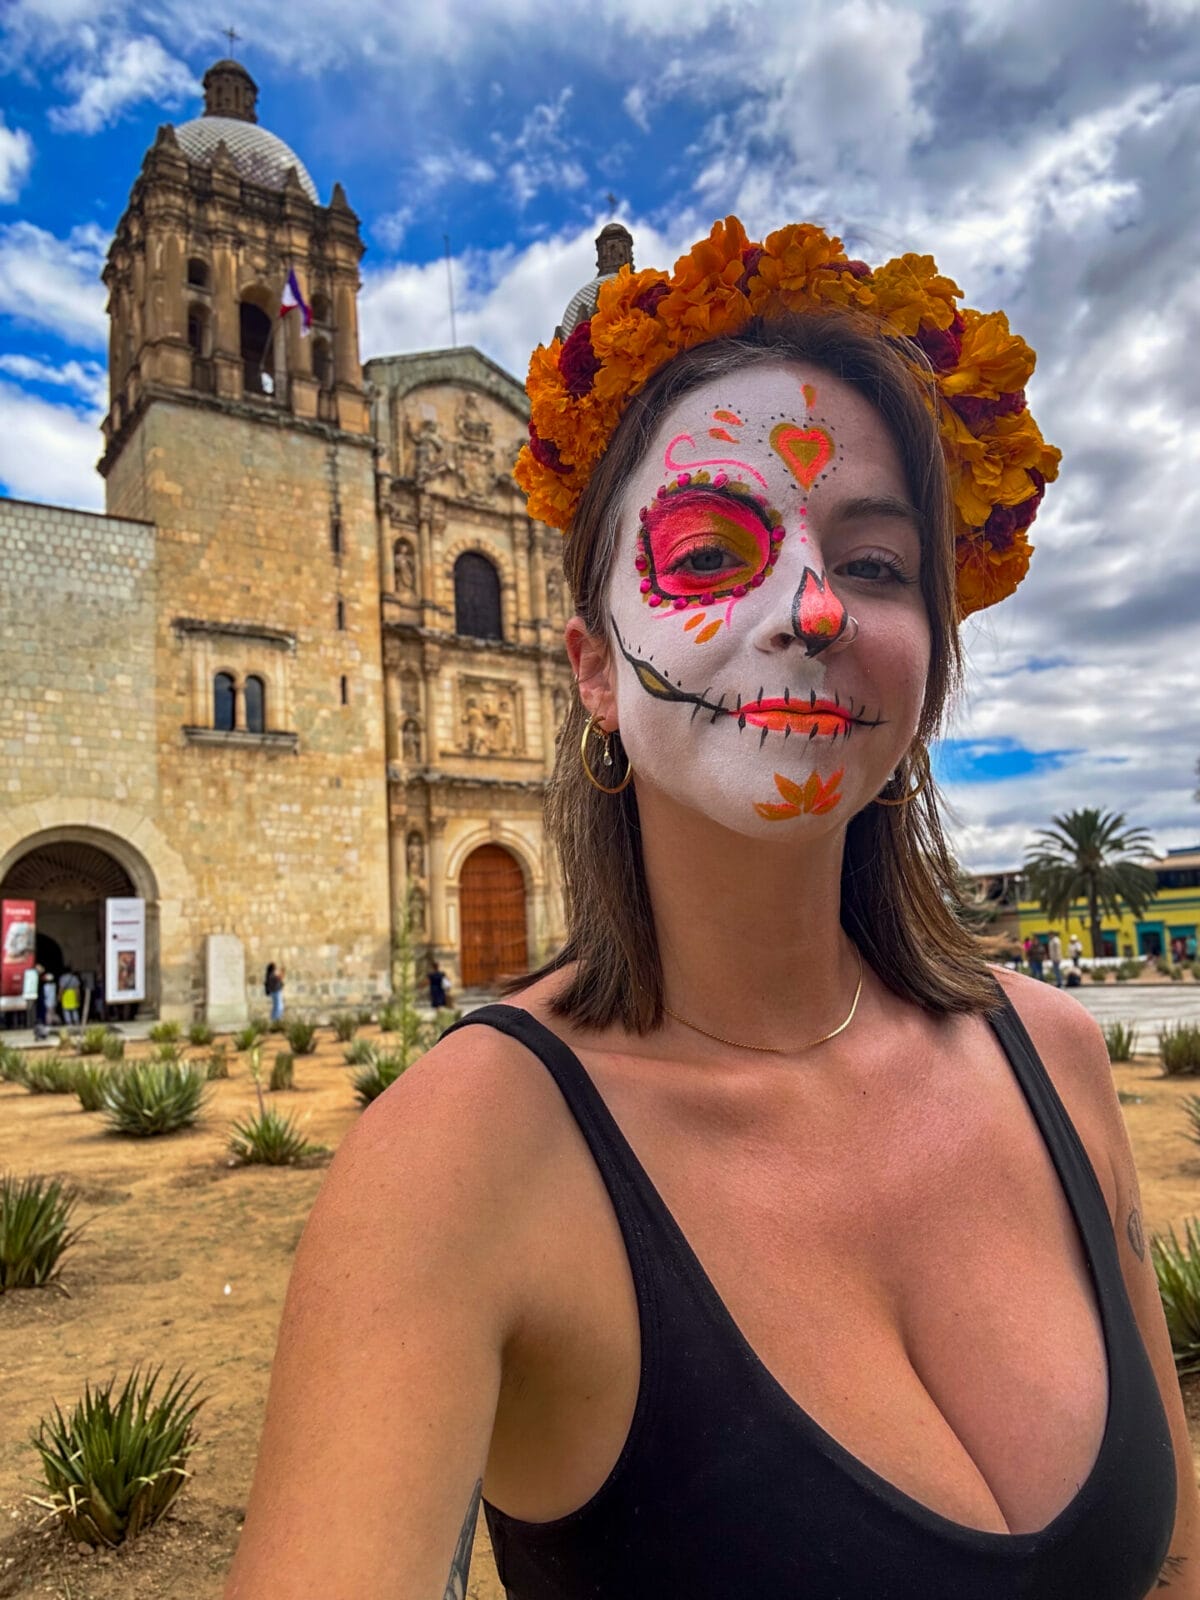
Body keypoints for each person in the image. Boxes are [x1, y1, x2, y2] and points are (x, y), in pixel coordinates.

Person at [225, 218, 1192, 1599]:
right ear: (594, 671)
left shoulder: (1059, 1061)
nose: (812, 607)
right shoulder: (454, 1166)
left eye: (875, 564)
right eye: (708, 550)